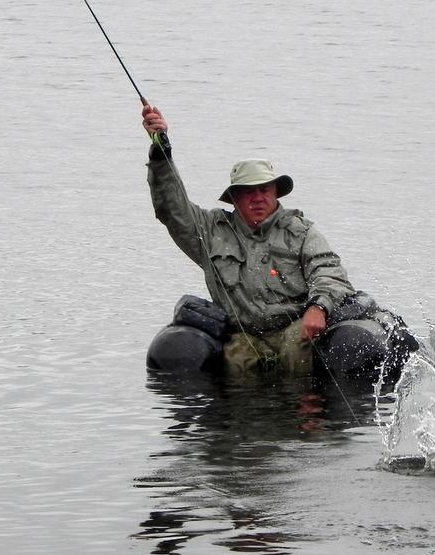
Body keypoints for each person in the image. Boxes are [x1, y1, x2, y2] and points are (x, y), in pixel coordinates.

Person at [142, 104, 357, 375]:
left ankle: (307, 412)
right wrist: (161, 151)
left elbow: (329, 271)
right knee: (237, 363)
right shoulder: (210, 230)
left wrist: (318, 307)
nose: (258, 198)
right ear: (234, 198)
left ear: (276, 193)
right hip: (243, 334)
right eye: (248, 192)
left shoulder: (301, 231)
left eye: (264, 190)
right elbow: (171, 208)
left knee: (297, 351)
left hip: (295, 328)